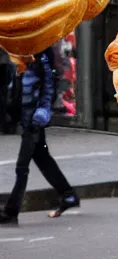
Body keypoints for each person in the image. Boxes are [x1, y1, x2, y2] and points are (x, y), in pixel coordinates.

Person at [0, 47, 80, 226]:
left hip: (33, 120)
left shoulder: (40, 56)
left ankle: (11, 211)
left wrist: (43, 110)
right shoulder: (18, 55)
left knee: (22, 167)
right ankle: (68, 195)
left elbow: (48, 84)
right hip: (25, 117)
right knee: (43, 158)